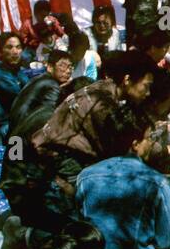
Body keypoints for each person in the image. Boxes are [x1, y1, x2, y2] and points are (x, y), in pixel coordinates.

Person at [32, 50, 155, 187]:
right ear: (127, 80)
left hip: (62, 158)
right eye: (146, 86)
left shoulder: (104, 88)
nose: (148, 93)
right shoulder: (102, 104)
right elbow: (117, 152)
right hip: (56, 164)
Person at [76, 121, 170, 249]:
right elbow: (166, 239)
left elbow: (80, 222)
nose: (152, 143)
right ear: (135, 144)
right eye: (149, 138)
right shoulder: (157, 181)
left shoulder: (85, 176)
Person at [0, 50, 81, 247]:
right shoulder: (51, 91)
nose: (68, 70)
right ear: (49, 67)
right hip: (19, 175)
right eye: (63, 66)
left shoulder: (40, 83)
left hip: (15, 149)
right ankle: (21, 232)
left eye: (70, 67)